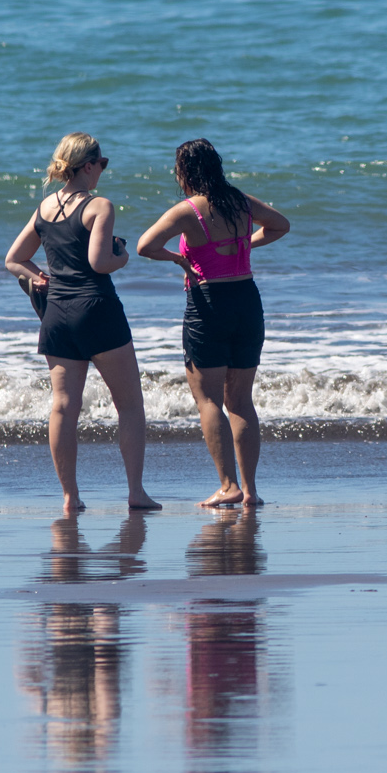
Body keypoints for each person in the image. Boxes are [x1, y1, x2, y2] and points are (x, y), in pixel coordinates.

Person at [5, 132, 160, 516]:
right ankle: (136, 493)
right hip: (97, 310)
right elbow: (99, 263)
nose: (102, 171)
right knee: (129, 405)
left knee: (63, 407)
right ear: (88, 165)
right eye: (101, 164)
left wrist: (40, 276)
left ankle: (70, 497)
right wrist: (121, 255)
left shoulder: (44, 208)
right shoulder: (98, 206)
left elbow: (12, 259)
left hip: (57, 314)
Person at [136, 139, 290, 507]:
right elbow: (281, 225)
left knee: (207, 399)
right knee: (241, 400)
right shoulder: (241, 201)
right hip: (247, 302)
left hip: (209, 304)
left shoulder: (187, 211)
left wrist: (179, 260)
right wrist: (246, 244)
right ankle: (250, 490)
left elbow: (144, 246)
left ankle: (227, 486)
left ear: (185, 172)